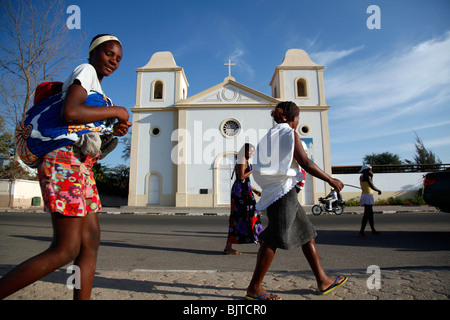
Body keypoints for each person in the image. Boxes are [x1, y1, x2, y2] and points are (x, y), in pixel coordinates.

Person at [0, 34, 131, 300]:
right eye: (108, 54)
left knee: (90, 241)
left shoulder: (97, 92)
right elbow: (70, 112)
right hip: (63, 162)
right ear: (93, 53)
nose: (113, 61)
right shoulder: (85, 71)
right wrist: (118, 111)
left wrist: (113, 129)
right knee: (66, 249)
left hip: (81, 165)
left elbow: (80, 127)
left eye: (117, 58)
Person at [245, 101, 347, 300]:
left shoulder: (268, 136)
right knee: (272, 240)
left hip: (277, 192)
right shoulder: (289, 134)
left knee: (307, 234)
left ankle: (322, 280)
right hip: (282, 194)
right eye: (298, 117)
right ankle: (254, 287)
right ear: (292, 117)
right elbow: (305, 162)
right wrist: (331, 179)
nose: (299, 121)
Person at [224, 143, 262, 255]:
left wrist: (254, 190)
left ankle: (228, 247)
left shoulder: (244, 160)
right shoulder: (241, 159)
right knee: (249, 216)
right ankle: (262, 243)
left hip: (244, 191)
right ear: (245, 151)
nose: (252, 153)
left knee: (245, 217)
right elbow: (241, 177)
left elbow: (244, 180)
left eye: (253, 152)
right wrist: (254, 170)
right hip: (240, 193)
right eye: (251, 151)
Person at [359, 164, 382, 237]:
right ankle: (361, 231)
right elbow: (372, 186)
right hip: (368, 195)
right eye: (370, 169)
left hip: (364, 195)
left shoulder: (361, 176)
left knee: (370, 214)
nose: (371, 171)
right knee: (367, 214)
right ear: (367, 170)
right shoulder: (368, 177)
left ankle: (373, 229)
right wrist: (378, 190)